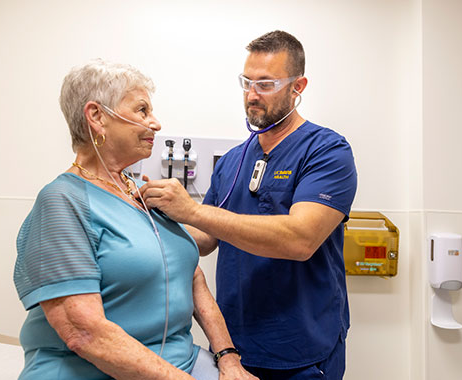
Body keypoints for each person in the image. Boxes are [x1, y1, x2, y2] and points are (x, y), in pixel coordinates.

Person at [13, 60, 257, 380]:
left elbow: (192, 276)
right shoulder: (62, 202)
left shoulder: (141, 193)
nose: (155, 123)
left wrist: (227, 358)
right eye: (142, 110)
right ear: (97, 117)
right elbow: (84, 334)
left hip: (178, 361)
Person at [139, 31, 358, 379]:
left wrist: (192, 209)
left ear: (298, 87)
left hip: (303, 350)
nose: (252, 95)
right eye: (246, 82)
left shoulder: (326, 151)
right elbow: (205, 239)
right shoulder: (233, 161)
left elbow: (300, 240)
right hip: (235, 348)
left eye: (266, 84)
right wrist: (147, 219)